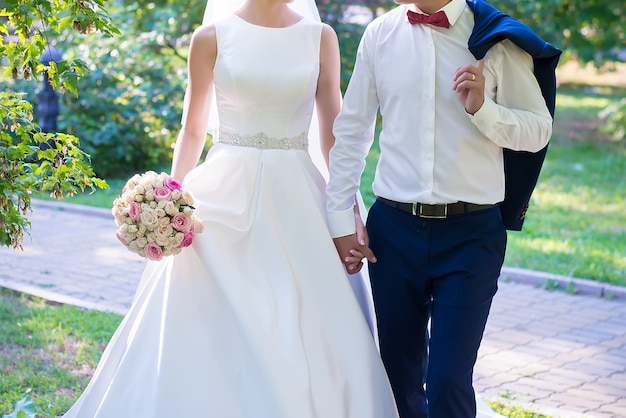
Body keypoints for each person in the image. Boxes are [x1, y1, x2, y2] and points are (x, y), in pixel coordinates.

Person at [60, 0, 398, 416]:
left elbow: (331, 135)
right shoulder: (211, 38)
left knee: (306, 313)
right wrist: (167, 198)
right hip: (221, 196)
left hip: (297, 196)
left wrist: (346, 210)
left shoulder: (320, 38)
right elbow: (193, 127)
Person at [326, 0, 561, 417]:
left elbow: (538, 130)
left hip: (471, 235)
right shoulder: (379, 34)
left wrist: (482, 109)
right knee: (398, 375)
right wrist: (340, 217)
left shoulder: (494, 38)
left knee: (449, 378)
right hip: (393, 232)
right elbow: (352, 131)